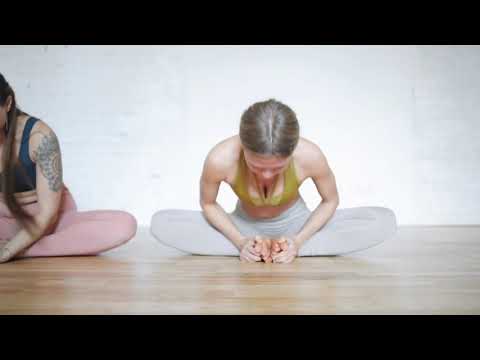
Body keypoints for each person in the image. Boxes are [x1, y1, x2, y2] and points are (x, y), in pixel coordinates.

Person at [151, 99, 397, 264]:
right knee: (162, 223)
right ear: (243, 146)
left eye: (277, 168)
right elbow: (208, 204)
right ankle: (256, 248)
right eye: (257, 167)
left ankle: (286, 248)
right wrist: (239, 241)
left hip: (299, 226)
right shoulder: (220, 158)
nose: (266, 175)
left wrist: (298, 240)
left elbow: (330, 200)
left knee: (382, 220)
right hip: (241, 227)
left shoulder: (309, 155)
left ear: (292, 152)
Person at [0, 73, 137, 263]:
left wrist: (8, 250)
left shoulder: (39, 137)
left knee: (124, 225)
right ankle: (26, 243)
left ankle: (23, 248)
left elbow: (46, 214)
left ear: (7, 103)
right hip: (5, 222)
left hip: (49, 221)